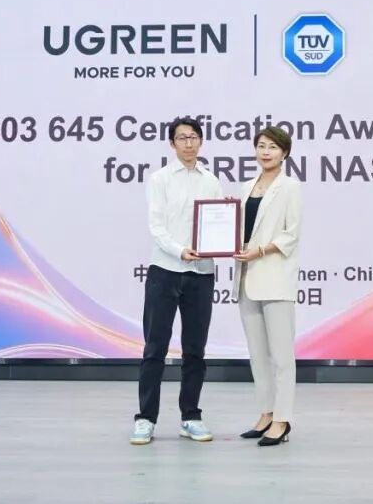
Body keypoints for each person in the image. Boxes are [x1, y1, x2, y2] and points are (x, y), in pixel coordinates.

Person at [130, 116, 223, 445]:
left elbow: (218, 223)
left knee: (195, 350)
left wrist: (220, 245)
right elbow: (156, 227)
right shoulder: (160, 179)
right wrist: (180, 251)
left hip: (201, 274)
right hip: (165, 270)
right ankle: (146, 418)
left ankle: (191, 416)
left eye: (194, 137)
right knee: (155, 348)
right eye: (182, 138)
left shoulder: (211, 181)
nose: (189, 143)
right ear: (172, 143)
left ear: (201, 141)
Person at [232, 126, 303, 447]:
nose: (265, 152)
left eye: (272, 147)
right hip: (246, 277)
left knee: (281, 356)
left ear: (284, 152)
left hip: (274, 278)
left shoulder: (290, 187)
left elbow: (291, 234)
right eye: (261, 146)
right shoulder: (246, 186)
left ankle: (282, 420)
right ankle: (266, 413)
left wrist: (259, 250)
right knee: (257, 355)